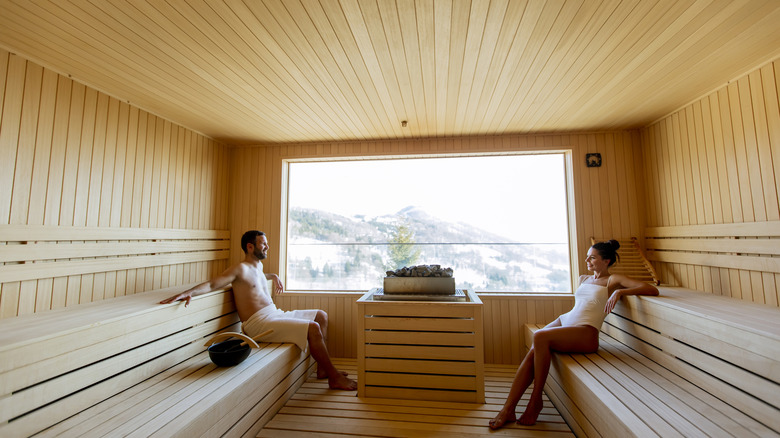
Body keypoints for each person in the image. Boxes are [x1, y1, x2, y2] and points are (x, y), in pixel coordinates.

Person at [489, 240, 659, 429]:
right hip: (567, 320)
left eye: (593, 257)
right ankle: (508, 408)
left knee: (539, 337)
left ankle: (535, 401)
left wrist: (619, 292)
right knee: (535, 347)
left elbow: (652, 289)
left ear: (606, 260)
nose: (587, 260)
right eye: (588, 256)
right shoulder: (583, 279)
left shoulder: (613, 280)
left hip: (586, 332)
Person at [160, 230, 357, 391]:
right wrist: (189, 292)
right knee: (313, 328)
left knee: (321, 315)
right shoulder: (239, 269)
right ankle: (334, 377)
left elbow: (257, 280)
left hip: (274, 314)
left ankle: (323, 368)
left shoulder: (258, 266)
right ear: (250, 246)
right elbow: (213, 284)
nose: (267, 246)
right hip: (259, 324)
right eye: (263, 243)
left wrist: (273, 275)